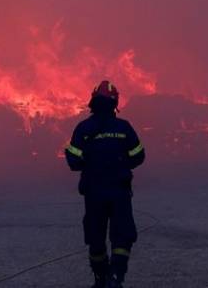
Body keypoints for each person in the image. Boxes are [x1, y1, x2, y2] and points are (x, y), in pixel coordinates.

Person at [65, 80, 146, 288]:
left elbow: (73, 161)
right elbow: (139, 156)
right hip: (119, 191)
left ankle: (101, 280)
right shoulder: (124, 127)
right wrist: (120, 164)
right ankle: (116, 278)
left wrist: (91, 165)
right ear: (115, 102)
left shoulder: (83, 128)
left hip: (94, 192)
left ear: (93, 101)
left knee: (95, 238)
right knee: (122, 236)